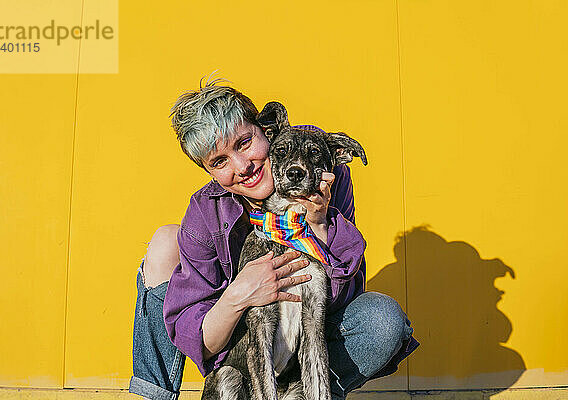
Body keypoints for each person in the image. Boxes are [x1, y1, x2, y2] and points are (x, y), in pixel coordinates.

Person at [129, 78, 419, 400]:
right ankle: (151, 396)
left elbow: (345, 290)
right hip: (239, 353)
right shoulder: (205, 211)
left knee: (381, 319)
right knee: (165, 242)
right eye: (219, 161)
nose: (243, 167)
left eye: (243, 143)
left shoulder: (320, 169)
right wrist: (241, 292)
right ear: (209, 171)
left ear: (265, 131)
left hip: (308, 340)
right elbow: (201, 342)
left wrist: (318, 227)